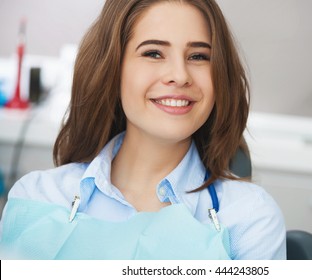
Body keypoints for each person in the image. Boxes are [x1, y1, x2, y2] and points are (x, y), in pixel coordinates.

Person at [0, 0, 286, 259]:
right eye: (153, 53)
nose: (179, 75)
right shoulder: (38, 199)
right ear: (113, 68)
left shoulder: (250, 219)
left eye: (198, 56)